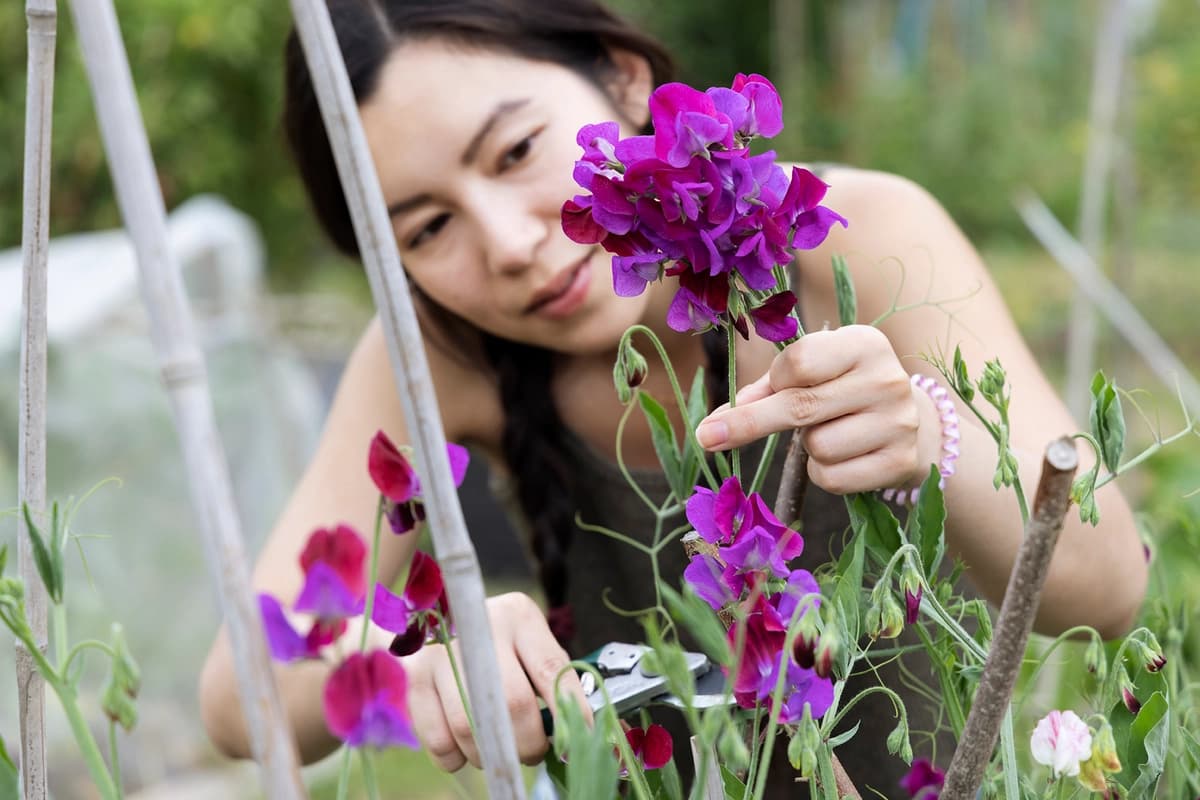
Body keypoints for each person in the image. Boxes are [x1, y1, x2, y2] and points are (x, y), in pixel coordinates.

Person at [198, 0, 1147, 792]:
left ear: (622, 78)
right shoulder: (438, 352)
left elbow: (1107, 589)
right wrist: (421, 656)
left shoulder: (853, 240)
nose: (509, 243)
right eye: (428, 226)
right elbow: (239, 697)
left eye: (517, 149)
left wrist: (930, 438)